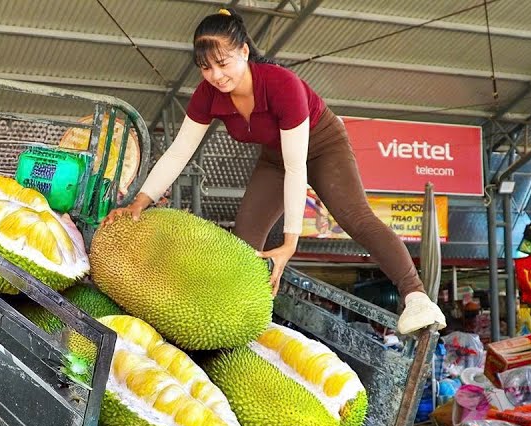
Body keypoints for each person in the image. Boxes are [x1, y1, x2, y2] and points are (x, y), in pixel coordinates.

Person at [101, 8, 446, 335]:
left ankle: (416, 297)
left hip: (322, 145)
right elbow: (178, 152)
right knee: (243, 242)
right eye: (206, 68)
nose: (216, 76)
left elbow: (298, 167)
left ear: (244, 52)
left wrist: (289, 244)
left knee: (355, 218)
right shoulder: (207, 95)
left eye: (223, 63)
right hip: (275, 158)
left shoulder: (282, 84)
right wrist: (141, 200)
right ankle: (241, 318)